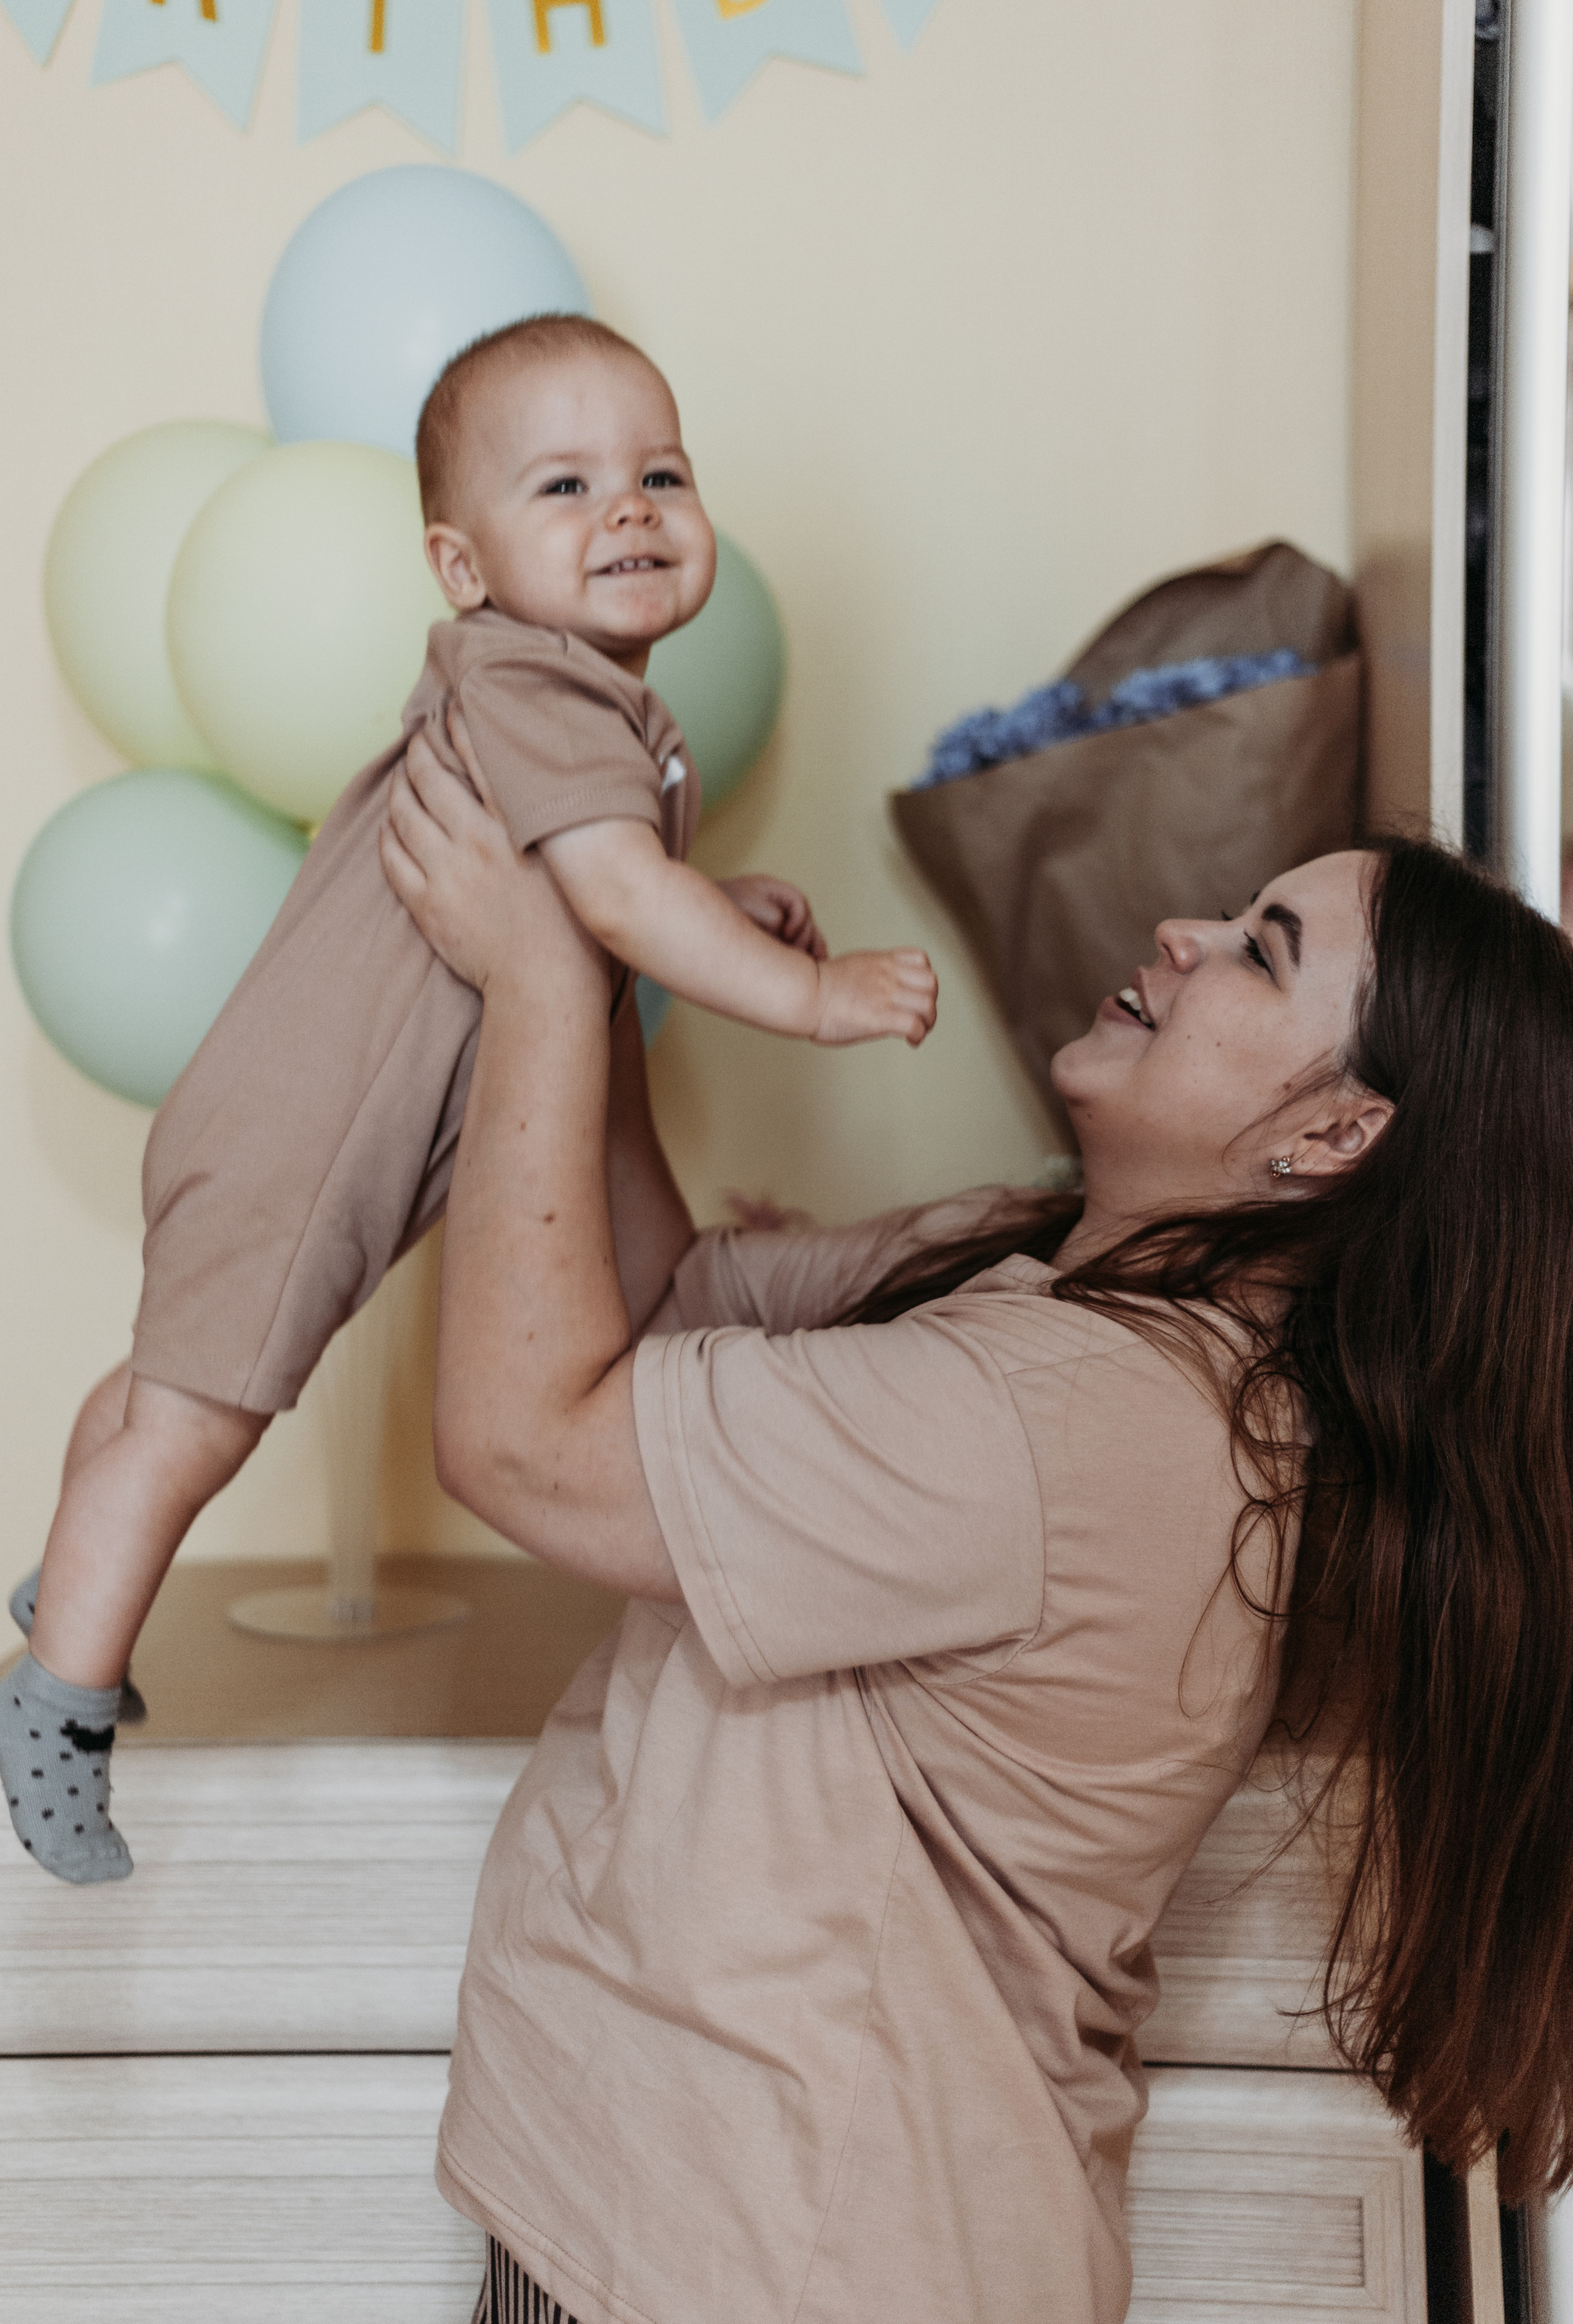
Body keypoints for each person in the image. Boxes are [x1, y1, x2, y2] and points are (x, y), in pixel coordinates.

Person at [376, 737, 1573, 2324]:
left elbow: (532, 1444)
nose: (1181, 937)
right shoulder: (1050, 1279)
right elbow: (658, 1323)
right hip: (697, 2234)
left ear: (1336, 1137)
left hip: (770, 2269)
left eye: (1258, 954)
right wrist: (608, 955)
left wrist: (528, 985)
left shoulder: (1089, 1423)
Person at [0, 316, 937, 1885]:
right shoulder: (543, 686)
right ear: (461, 563)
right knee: (194, 1415)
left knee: (160, 1395)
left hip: (277, 1109)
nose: (627, 510)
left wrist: (723, 902)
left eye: (660, 472)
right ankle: (57, 1709)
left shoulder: (558, 691)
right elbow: (619, 902)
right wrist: (814, 999)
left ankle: (73, 1582)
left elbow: (603, 887)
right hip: (308, 1144)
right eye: (563, 485)